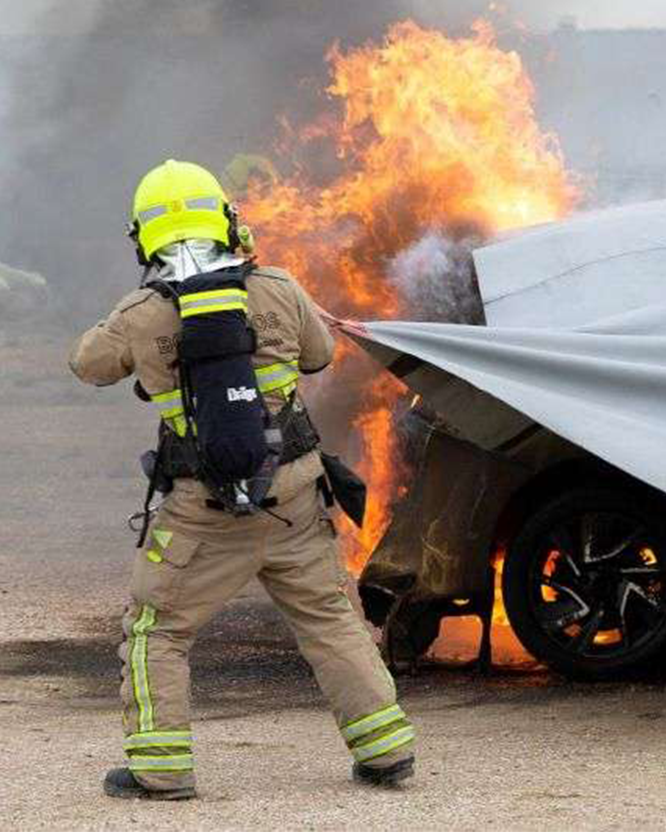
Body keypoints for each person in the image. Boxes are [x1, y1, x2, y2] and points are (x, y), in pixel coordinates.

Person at [70, 159, 414, 800]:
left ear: (144, 238)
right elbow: (319, 354)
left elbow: (88, 365)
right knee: (330, 619)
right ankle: (386, 751)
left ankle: (162, 768)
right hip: (293, 498)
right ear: (227, 220)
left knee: (157, 631)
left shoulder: (143, 312)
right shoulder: (278, 287)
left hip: (202, 514)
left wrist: (133, 323)